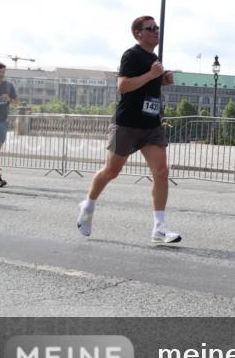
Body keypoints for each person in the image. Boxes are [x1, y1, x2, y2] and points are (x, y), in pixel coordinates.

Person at [76, 15, 181, 243]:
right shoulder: (131, 55)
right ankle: (89, 204)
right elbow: (123, 86)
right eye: (150, 28)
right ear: (138, 34)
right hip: (128, 123)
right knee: (111, 171)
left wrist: (162, 81)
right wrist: (152, 75)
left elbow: (145, 86)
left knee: (162, 172)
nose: (156, 31)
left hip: (151, 123)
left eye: (157, 28)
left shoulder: (153, 58)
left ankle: (159, 227)